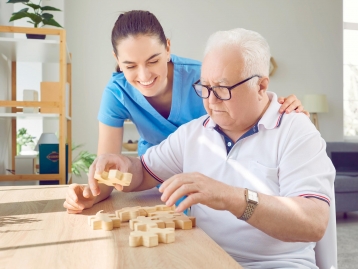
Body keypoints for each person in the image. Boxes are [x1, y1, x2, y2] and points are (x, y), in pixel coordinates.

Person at [64, 27, 335, 268]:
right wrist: (122, 165)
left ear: (261, 85)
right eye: (205, 87)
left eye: (222, 89)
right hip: (201, 256)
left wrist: (230, 197)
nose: (211, 101)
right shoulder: (195, 131)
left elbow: (312, 222)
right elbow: (143, 171)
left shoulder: (296, 131)